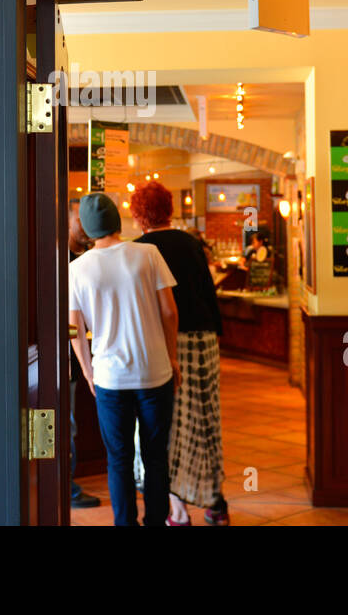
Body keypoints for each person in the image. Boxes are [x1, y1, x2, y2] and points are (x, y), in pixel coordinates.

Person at [68, 192, 180, 526]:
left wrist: (88, 374)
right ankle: (156, 522)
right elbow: (170, 312)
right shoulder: (148, 253)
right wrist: (172, 358)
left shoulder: (77, 268)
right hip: (155, 372)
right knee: (156, 456)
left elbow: (74, 330)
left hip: (109, 379)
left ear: (87, 229)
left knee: (118, 459)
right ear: (118, 220)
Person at [131, 182, 230, 526]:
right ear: (170, 209)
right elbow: (209, 294)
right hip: (203, 340)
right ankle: (216, 504)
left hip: (166, 342)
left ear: (139, 215)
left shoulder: (139, 250)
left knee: (168, 425)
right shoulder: (191, 243)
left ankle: (178, 510)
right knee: (205, 420)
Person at [66, 207, 101, 509]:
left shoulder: (82, 260)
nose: (84, 226)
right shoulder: (62, 260)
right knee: (67, 425)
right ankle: (67, 489)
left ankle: (66, 487)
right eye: (78, 220)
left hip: (75, 358)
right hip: (63, 359)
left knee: (70, 425)